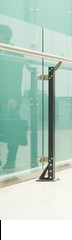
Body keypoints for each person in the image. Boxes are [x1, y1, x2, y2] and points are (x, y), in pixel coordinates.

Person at [0, 24, 27, 170]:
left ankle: (11, 160)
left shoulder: (15, 53)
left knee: (13, 129)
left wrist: (15, 98)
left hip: (10, 98)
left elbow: (17, 78)